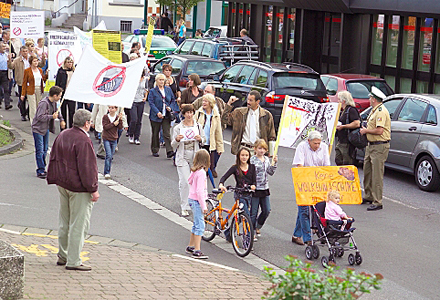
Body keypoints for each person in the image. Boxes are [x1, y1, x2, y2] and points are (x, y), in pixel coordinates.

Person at [47, 109, 99, 271]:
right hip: (78, 187)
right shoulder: (83, 141)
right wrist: (93, 188)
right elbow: (87, 167)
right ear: (86, 123)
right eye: (90, 122)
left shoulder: (64, 134)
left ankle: (62, 255)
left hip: (62, 183)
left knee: (65, 220)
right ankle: (74, 260)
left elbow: (53, 156)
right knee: (79, 224)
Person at [291, 130, 330, 246]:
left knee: (316, 208)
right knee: (304, 209)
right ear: (309, 141)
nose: (317, 146)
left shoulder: (323, 147)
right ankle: (307, 238)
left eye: (318, 143)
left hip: (318, 182)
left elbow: (326, 166)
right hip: (304, 181)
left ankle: (296, 235)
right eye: (315, 143)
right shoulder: (302, 147)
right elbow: (300, 165)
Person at [360, 86, 391, 211]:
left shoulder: (380, 112)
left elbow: (379, 130)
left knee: (377, 174)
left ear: (374, 99)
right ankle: (368, 195)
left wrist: (366, 130)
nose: (369, 99)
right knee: (367, 171)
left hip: (379, 145)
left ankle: (378, 201)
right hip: (371, 145)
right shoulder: (374, 110)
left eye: (370, 97)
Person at [172, 104, 205, 216]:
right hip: (183, 154)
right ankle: (184, 206)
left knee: (196, 180)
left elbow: (204, 140)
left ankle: (195, 202)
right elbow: (173, 145)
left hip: (195, 155)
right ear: (184, 114)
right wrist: (177, 139)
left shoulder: (198, 126)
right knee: (185, 181)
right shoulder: (178, 128)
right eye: (187, 113)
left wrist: (200, 139)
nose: (189, 115)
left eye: (191, 112)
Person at [222, 90, 276, 155]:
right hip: (243, 148)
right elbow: (224, 120)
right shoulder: (239, 112)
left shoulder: (266, 115)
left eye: (251, 100)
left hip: (258, 150)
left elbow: (271, 135)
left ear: (257, 101)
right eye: (248, 99)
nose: (248, 102)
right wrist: (229, 104)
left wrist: (271, 152)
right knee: (242, 165)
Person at [31, 86, 66, 178]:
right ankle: (40, 169)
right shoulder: (44, 103)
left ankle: (42, 166)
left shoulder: (53, 103)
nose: (59, 98)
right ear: (54, 95)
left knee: (45, 149)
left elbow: (57, 112)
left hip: (45, 128)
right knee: (40, 150)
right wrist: (51, 117)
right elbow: (40, 117)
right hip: (38, 129)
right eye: (59, 96)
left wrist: (61, 120)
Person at [250, 139, 277, 239]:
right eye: (259, 148)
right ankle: (251, 232)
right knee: (254, 212)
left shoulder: (266, 159)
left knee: (267, 210)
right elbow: (249, 173)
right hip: (255, 189)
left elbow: (270, 172)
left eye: (264, 149)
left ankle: (258, 226)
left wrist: (274, 163)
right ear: (255, 149)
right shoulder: (252, 160)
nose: (262, 151)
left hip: (265, 188)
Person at [186, 149, 211, 259]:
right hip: (197, 201)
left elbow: (190, 182)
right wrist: (204, 206)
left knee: (196, 224)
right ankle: (197, 250)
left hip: (192, 199)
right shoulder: (201, 173)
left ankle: (191, 246)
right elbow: (200, 191)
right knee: (200, 225)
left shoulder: (194, 171)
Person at [194, 93, 224, 178]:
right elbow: (193, 126)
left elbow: (218, 132)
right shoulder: (199, 113)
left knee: (209, 164)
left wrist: (220, 147)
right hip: (200, 142)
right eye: (203, 101)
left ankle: (206, 176)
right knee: (199, 163)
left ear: (210, 103)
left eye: (206, 101)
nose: (203, 103)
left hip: (210, 143)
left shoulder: (216, 115)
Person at [219, 147, 256, 215]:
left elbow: (254, 181)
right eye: (242, 155)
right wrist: (221, 184)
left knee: (250, 214)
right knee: (245, 213)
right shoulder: (235, 168)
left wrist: (253, 185)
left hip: (249, 194)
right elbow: (224, 177)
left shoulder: (252, 167)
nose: (244, 157)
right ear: (238, 156)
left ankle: (237, 224)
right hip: (239, 194)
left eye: (246, 155)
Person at [148, 73, 178, 158]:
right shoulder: (153, 91)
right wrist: (157, 112)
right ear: (156, 81)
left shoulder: (168, 90)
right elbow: (151, 103)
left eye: (163, 80)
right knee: (155, 133)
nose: (161, 81)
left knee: (166, 133)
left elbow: (172, 100)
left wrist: (170, 107)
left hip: (166, 115)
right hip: (156, 116)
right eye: (160, 80)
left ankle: (169, 151)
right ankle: (155, 149)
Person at [335, 91, 361, 166]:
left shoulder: (351, 110)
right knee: (338, 160)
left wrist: (344, 126)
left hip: (347, 142)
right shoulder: (343, 111)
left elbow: (357, 123)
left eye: (339, 99)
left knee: (347, 163)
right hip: (341, 140)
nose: (338, 101)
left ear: (343, 101)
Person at [21, 55, 47, 124]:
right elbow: (24, 83)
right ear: (31, 62)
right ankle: (33, 122)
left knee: (39, 106)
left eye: (37, 61)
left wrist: (46, 75)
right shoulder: (27, 71)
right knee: (32, 107)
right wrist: (23, 94)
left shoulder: (40, 70)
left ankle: (39, 120)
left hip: (39, 89)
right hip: (31, 89)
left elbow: (43, 79)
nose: (36, 62)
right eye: (34, 61)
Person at [102, 106, 123, 180]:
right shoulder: (105, 117)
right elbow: (105, 127)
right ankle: (106, 172)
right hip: (106, 138)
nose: (110, 109)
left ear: (116, 109)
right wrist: (113, 124)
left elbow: (120, 127)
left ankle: (108, 170)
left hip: (114, 139)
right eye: (110, 108)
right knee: (108, 155)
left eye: (112, 108)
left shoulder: (117, 117)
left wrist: (120, 120)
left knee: (111, 156)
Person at [55, 56, 75, 129]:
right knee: (63, 111)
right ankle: (63, 127)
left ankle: (71, 127)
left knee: (72, 111)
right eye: (68, 62)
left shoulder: (74, 71)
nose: (70, 64)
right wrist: (57, 93)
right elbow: (57, 82)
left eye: (71, 62)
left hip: (72, 94)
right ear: (65, 63)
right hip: (63, 93)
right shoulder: (61, 71)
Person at [128, 72, 148, 145]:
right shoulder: (133, 79)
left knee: (139, 120)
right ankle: (131, 134)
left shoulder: (145, 80)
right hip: (133, 101)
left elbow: (146, 89)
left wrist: (145, 97)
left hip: (141, 101)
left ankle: (137, 137)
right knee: (134, 119)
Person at [0, 42, 12, 110]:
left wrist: (10, 59)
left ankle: (7, 104)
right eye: (3, 47)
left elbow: (9, 65)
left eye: (5, 47)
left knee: (6, 89)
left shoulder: (6, 55)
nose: (4, 48)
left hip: (4, 72)